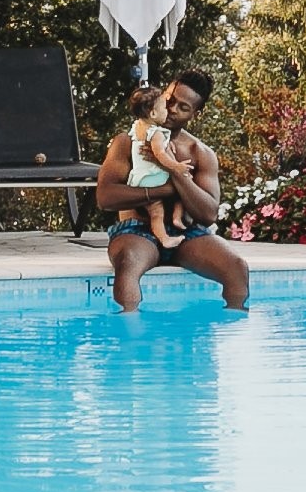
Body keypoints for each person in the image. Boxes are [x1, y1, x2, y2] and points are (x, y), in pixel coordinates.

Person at [99, 67, 249, 314]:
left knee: (237, 268)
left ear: (196, 114)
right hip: (138, 231)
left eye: (183, 107)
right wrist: (164, 190)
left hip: (186, 234)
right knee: (128, 262)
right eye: (170, 100)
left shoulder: (199, 153)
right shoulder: (129, 142)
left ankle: (233, 325)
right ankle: (129, 336)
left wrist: (172, 169)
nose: (172, 110)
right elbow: (105, 198)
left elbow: (208, 214)